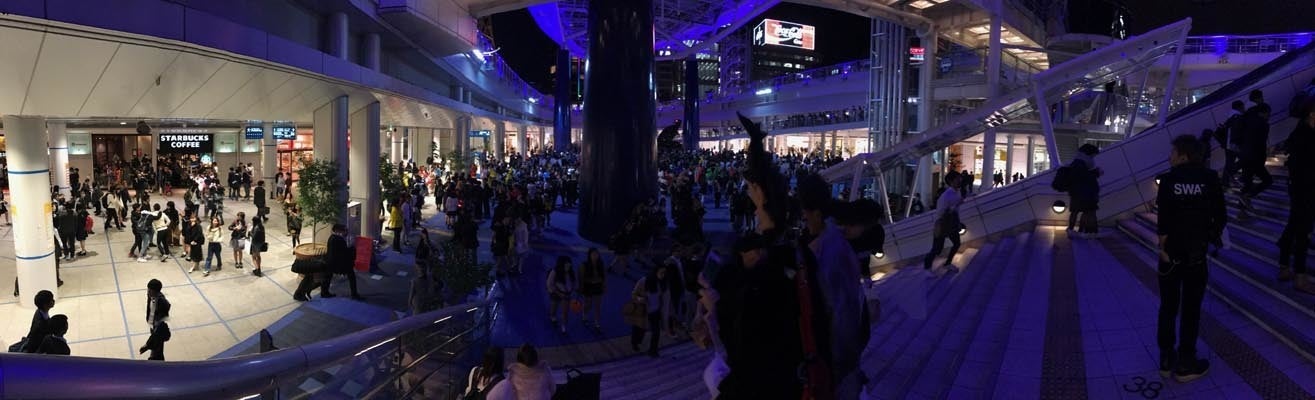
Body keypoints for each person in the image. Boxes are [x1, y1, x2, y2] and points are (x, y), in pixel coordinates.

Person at [1154, 134, 1226, 382]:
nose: (1170, 156)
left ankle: (1166, 359)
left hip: (1170, 255)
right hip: (1196, 255)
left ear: (1183, 155)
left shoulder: (1168, 180)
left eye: (1173, 152)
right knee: (1191, 309)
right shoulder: (1210, 178)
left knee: (1168, 306)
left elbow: (1163, 220)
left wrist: (1163, 248)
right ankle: (1186, 362)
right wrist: (1208, 238)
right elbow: (1221, 216)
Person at [796, 173, 869, 398]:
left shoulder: (830, 251)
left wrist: (839, 368)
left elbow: (841, 313)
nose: (804, 220)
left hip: (838, 363)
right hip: (840, 357)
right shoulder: (834, 242)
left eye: (806, 215)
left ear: (817, 213)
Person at [1278, 100, 1315, 294]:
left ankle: (1284, 266)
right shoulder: (1307, 136)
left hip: (1299, 188)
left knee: (1293, 225)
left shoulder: (1300, 133)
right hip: (1306, 190)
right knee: (1303, 231)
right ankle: (1300, 277)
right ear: (1312, 114)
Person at [1237, 89, 1273, 214]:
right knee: (1267, 180)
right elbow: (1260, 143)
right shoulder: (1263, 124)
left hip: (1245, 155)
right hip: (1255, 157)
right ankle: (1246, 198)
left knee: (1247, 183)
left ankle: (1242, 209)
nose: (1269, 117)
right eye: (1268, 114)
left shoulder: (1247, 116)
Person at [924, 172, 964, 271]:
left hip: (952, 222)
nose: (960, 181)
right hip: (943, 224)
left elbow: (956, 210)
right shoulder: (946, 196)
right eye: (957, 179)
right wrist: (956, 205)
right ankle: (927, 267)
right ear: (951, 181)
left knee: (957, 243)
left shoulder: (957, 192)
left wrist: (958, 221)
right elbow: (941, 212)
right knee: (937, 248)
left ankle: (947, 263)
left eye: (960, 178)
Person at [631, 265, 670, 357]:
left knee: (656, 332)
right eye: (661, 272)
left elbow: (664, 298)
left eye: (664, 273)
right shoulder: (644, 281)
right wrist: (640, 299)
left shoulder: (663, 283)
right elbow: (634, 294)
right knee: (639, 329)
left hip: (655, 311)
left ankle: (653, 351)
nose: (663, 275)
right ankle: (635, 343)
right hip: (644, 311)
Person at [1068, 144, 1103, 237]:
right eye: (1093, 155)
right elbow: (1085, 177)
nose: (1094, 157)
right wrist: (1096, 173)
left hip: (1077, 192)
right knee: (1087, 212)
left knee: (1077, 212)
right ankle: (1084, 231)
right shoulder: (1081, 163)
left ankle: (1075, 230)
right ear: (1089, 153)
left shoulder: (1078, 162)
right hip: (1084, 193)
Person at [321, 223, 363, 300]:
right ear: (338, 231)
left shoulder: (331, 237)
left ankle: (324, 292)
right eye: (345, 230)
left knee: (327, 276)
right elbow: (345, 253)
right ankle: (354, 294)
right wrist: (353, 247)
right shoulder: (339, 240)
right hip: (339, 264)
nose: (346, 232)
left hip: (330, 262)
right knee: (351, 275)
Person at [139, 279, 172, 361]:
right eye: (148, 289)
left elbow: (158, 331)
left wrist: (147, 345)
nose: (148, 292)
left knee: (157, 350)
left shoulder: (162, 303)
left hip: (158, 329)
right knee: (156, 348)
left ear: (157, 292)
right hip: (153, 325)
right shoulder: (150, 295)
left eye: (150, 290)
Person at [546, 255, 576, 334]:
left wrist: (572, 291)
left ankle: (564, 326)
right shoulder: (555, 271)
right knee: (554, 306)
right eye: (566, 264)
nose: (568, 266)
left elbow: (573, 283)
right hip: (556, 291)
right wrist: (557, 293)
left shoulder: (571, 272)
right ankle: (553, 316)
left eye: (569, 264)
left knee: (565, 312)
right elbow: (549, 284)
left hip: (566, 294)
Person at [579, 248, 606, 330]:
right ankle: (584, 315)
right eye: (593, 254)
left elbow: (604, 276)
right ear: (589, 255)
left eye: (597, 254)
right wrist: (581, 288)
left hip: (598, 286)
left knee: (598, 305)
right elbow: (581, 277)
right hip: (588, 286)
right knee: (588, 304)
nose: (595, 256)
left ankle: (597, 322)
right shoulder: (584, 265)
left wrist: (604, 285)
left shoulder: (600, 264)